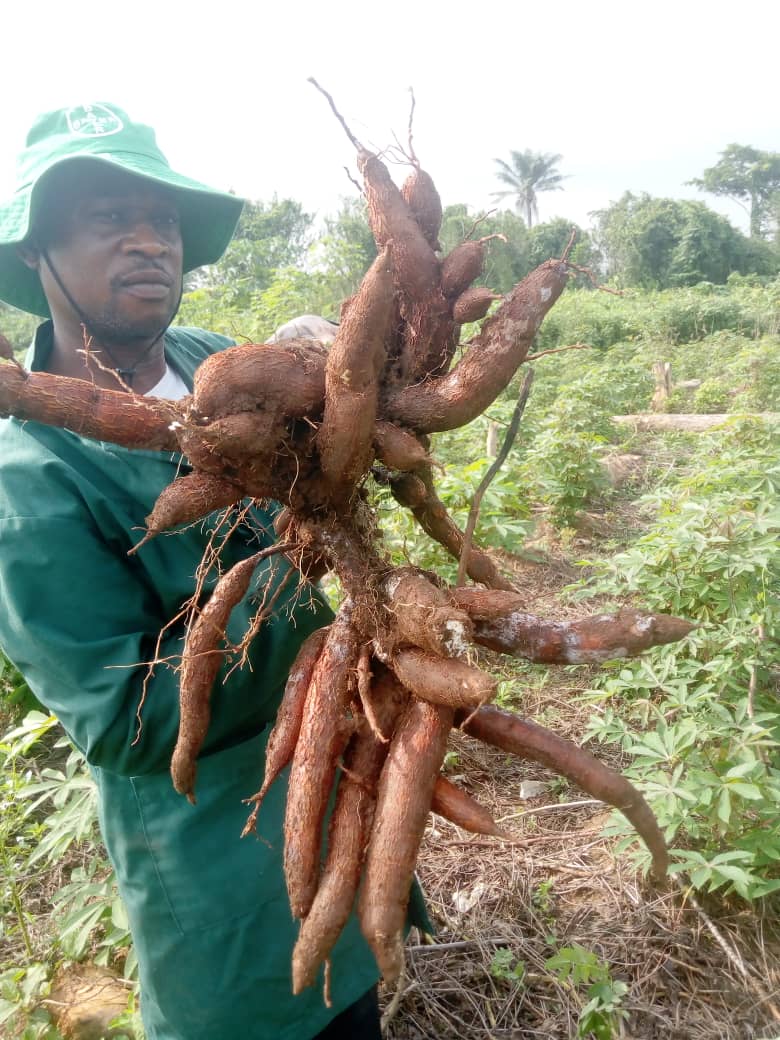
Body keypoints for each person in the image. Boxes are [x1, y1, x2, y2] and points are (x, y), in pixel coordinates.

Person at [0, 103, 384, 1039]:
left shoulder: (208, 357)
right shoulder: (26, 480)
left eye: (164, 221)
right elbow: (131, 722)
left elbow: (324, 453)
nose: (148, 243)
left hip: (345, 787)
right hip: (219, 854)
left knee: (362, 996)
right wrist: (307, 567)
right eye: (107, 219)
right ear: (37, 253)